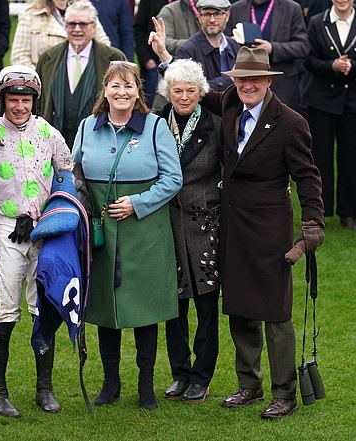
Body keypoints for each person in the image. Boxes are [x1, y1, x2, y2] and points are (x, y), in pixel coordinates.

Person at [150, 24, 325, 419]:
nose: (247, 85)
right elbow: (190, 90)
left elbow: (308, 178)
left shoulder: (291, 123)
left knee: (275, 311)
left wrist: (312, 225)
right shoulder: (229, 103)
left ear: (268, 81)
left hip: (269, 226)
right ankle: (249, 384)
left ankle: (284, 392)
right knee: (241, 306)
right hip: (230, 224)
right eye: (241, 79)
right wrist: (164, 56)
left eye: (254, 79)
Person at [72, 61, 182, 410]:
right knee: (106, 306)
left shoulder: (154, 128)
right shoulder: (88, 127)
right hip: (102, 231)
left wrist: (138, 203)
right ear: (104, 91)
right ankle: (110, 381)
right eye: (115, 86)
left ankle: (146, 383)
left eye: (129, 86)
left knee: (144, 308)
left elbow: (173, 178)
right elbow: (72, 171)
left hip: (145, 232)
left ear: (138, 92)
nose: (122, 92)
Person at [0, 65, 73, 417]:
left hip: (44, 228)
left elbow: (66, 175)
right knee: (4, 309)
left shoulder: (48, 132)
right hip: (7, 227)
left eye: (25, 100)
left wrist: (54, 217)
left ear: (34, 100)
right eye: (12, 99)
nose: (19, 106)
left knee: (44, 307)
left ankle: (45, 389)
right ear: (2, 99)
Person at [156, 59, 222, 403]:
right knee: (174, 306)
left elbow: (232, 169)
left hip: (205, 224)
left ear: (201, 92)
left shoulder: (215, 124)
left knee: (207, 307)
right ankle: (180, 374)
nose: (183, 97)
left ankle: (202, 376)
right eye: (177, 90)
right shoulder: (155, 125)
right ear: (169, 92)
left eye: (190, 91)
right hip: (167, 223)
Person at [303, 0, 356, 230]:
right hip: (321, 100)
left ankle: (349, 211)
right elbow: (309, 60)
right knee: (320, 158)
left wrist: (352, 67)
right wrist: (331, 66)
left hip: (354, 101)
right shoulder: (316, 22)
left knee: (351, 157)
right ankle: (318, 212)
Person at [36, 0, 126, 147]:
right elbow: (38, 104)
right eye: (71, 24)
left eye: (83, 24)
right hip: (53, 146)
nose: (77, 29)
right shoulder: (48, 58)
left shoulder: (114, 59)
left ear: (94, 27)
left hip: (99, 146)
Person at [225, 0, 310, 111]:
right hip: (246, 85)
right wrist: (233, 42)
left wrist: (272, 48)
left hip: (281, 86)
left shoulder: (292, 8)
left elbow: (303, 46)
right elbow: (225, 43)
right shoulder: (236, 8)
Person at [10, 0, 110, 70]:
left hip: (85, 80)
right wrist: (41, 78)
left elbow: (104, 46)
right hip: (45, 87)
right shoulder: (30, 14)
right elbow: (19, 56)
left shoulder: (85, 10)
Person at [174, 0, 239, 92]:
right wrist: (228, 79)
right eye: (207, 14)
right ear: (199, 17)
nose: (212, 20)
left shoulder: (234, 45)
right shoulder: (187, 50)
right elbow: (187, 90)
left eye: (217, 14)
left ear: (227, 16)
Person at [133, 0, 169, 107]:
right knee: (149, 106)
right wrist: (145, 59)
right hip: (153, 63)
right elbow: (138, 28)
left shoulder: (185, 3)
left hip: (175, 62)